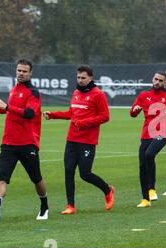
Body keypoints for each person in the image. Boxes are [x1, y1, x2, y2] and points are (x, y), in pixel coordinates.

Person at [0, 59, 49, 221]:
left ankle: (44, 206)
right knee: (1, 177)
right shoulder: (14, 89)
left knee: (36, 178)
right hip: (8, 143)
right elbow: (10, 112)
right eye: (19, 70)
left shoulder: (33, 92)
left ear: (30, 73)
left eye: (24, 71)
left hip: (27, 143)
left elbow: (29, 113)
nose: (21, 73)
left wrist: (7, 107)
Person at [43, 65, 114, 214]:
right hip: (72, 139)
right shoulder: (75, 93)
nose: (80, 80)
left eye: (83, 78)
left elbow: (105, 117)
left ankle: (107, 190)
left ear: (90, 78)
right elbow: (71, 113)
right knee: (68, 171)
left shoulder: (98, 95)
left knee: (85, 173)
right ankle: (71, 206)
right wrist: (53, 115)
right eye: (78, 77)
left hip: (87, 141)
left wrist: (83, 123)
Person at [130, 71, 166, 208]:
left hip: (161, 134)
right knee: (142, 165)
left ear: (165, 83)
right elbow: (132, 113)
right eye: (156, 79)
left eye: (161, 80)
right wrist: (135, 110)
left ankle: (152, 189)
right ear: (152, 79)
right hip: (146, 134)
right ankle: (145, 199)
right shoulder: (144, 95)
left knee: (149, 154)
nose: (157, 82)